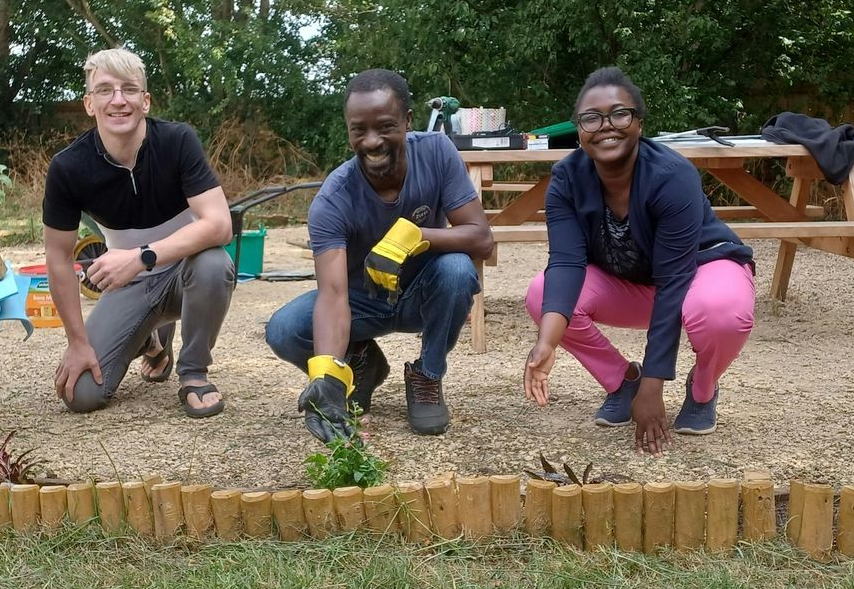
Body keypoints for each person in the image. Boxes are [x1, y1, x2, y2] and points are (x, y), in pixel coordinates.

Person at [523, 67, 755, 455]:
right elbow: (565, 262)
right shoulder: (566, 178)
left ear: (639, 123)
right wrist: (546, 343)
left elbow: (674, 279)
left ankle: (702, 388)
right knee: (542, 294)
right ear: (578, 129)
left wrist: (655, 387)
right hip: (634, 284)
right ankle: (622, 381)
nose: (606, 127)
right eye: (591, 118)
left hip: (697, 273)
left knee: (721, 311)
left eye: (619, 114)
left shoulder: (672, 175)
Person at [266, 69, 494, 441]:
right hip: (363, 303)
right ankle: (360, 364)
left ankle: (427, 376)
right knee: (284, 329)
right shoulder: (333, 199)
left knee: (456, 270)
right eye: (359, 130)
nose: (372, 141)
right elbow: (334, 295)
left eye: (385, 126)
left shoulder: (436, 153)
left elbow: (481, 239)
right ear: (348, 130)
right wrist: (326, 374)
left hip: (423, 292)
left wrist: (415, 236)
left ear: (407, 121)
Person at [43, 48, 235, 417]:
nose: (118, 100)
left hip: (185, 273)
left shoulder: (177, 141)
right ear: (88, 103)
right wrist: (77, 341)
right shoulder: (68, 167)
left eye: (129, 89)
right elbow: (57, 258)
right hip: (131, 285)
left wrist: (141, 256)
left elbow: (219, 225)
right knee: (80, 395)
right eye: (104, 90)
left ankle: (194, 374)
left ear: (145, 101)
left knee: (214, 263)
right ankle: (152, 343)